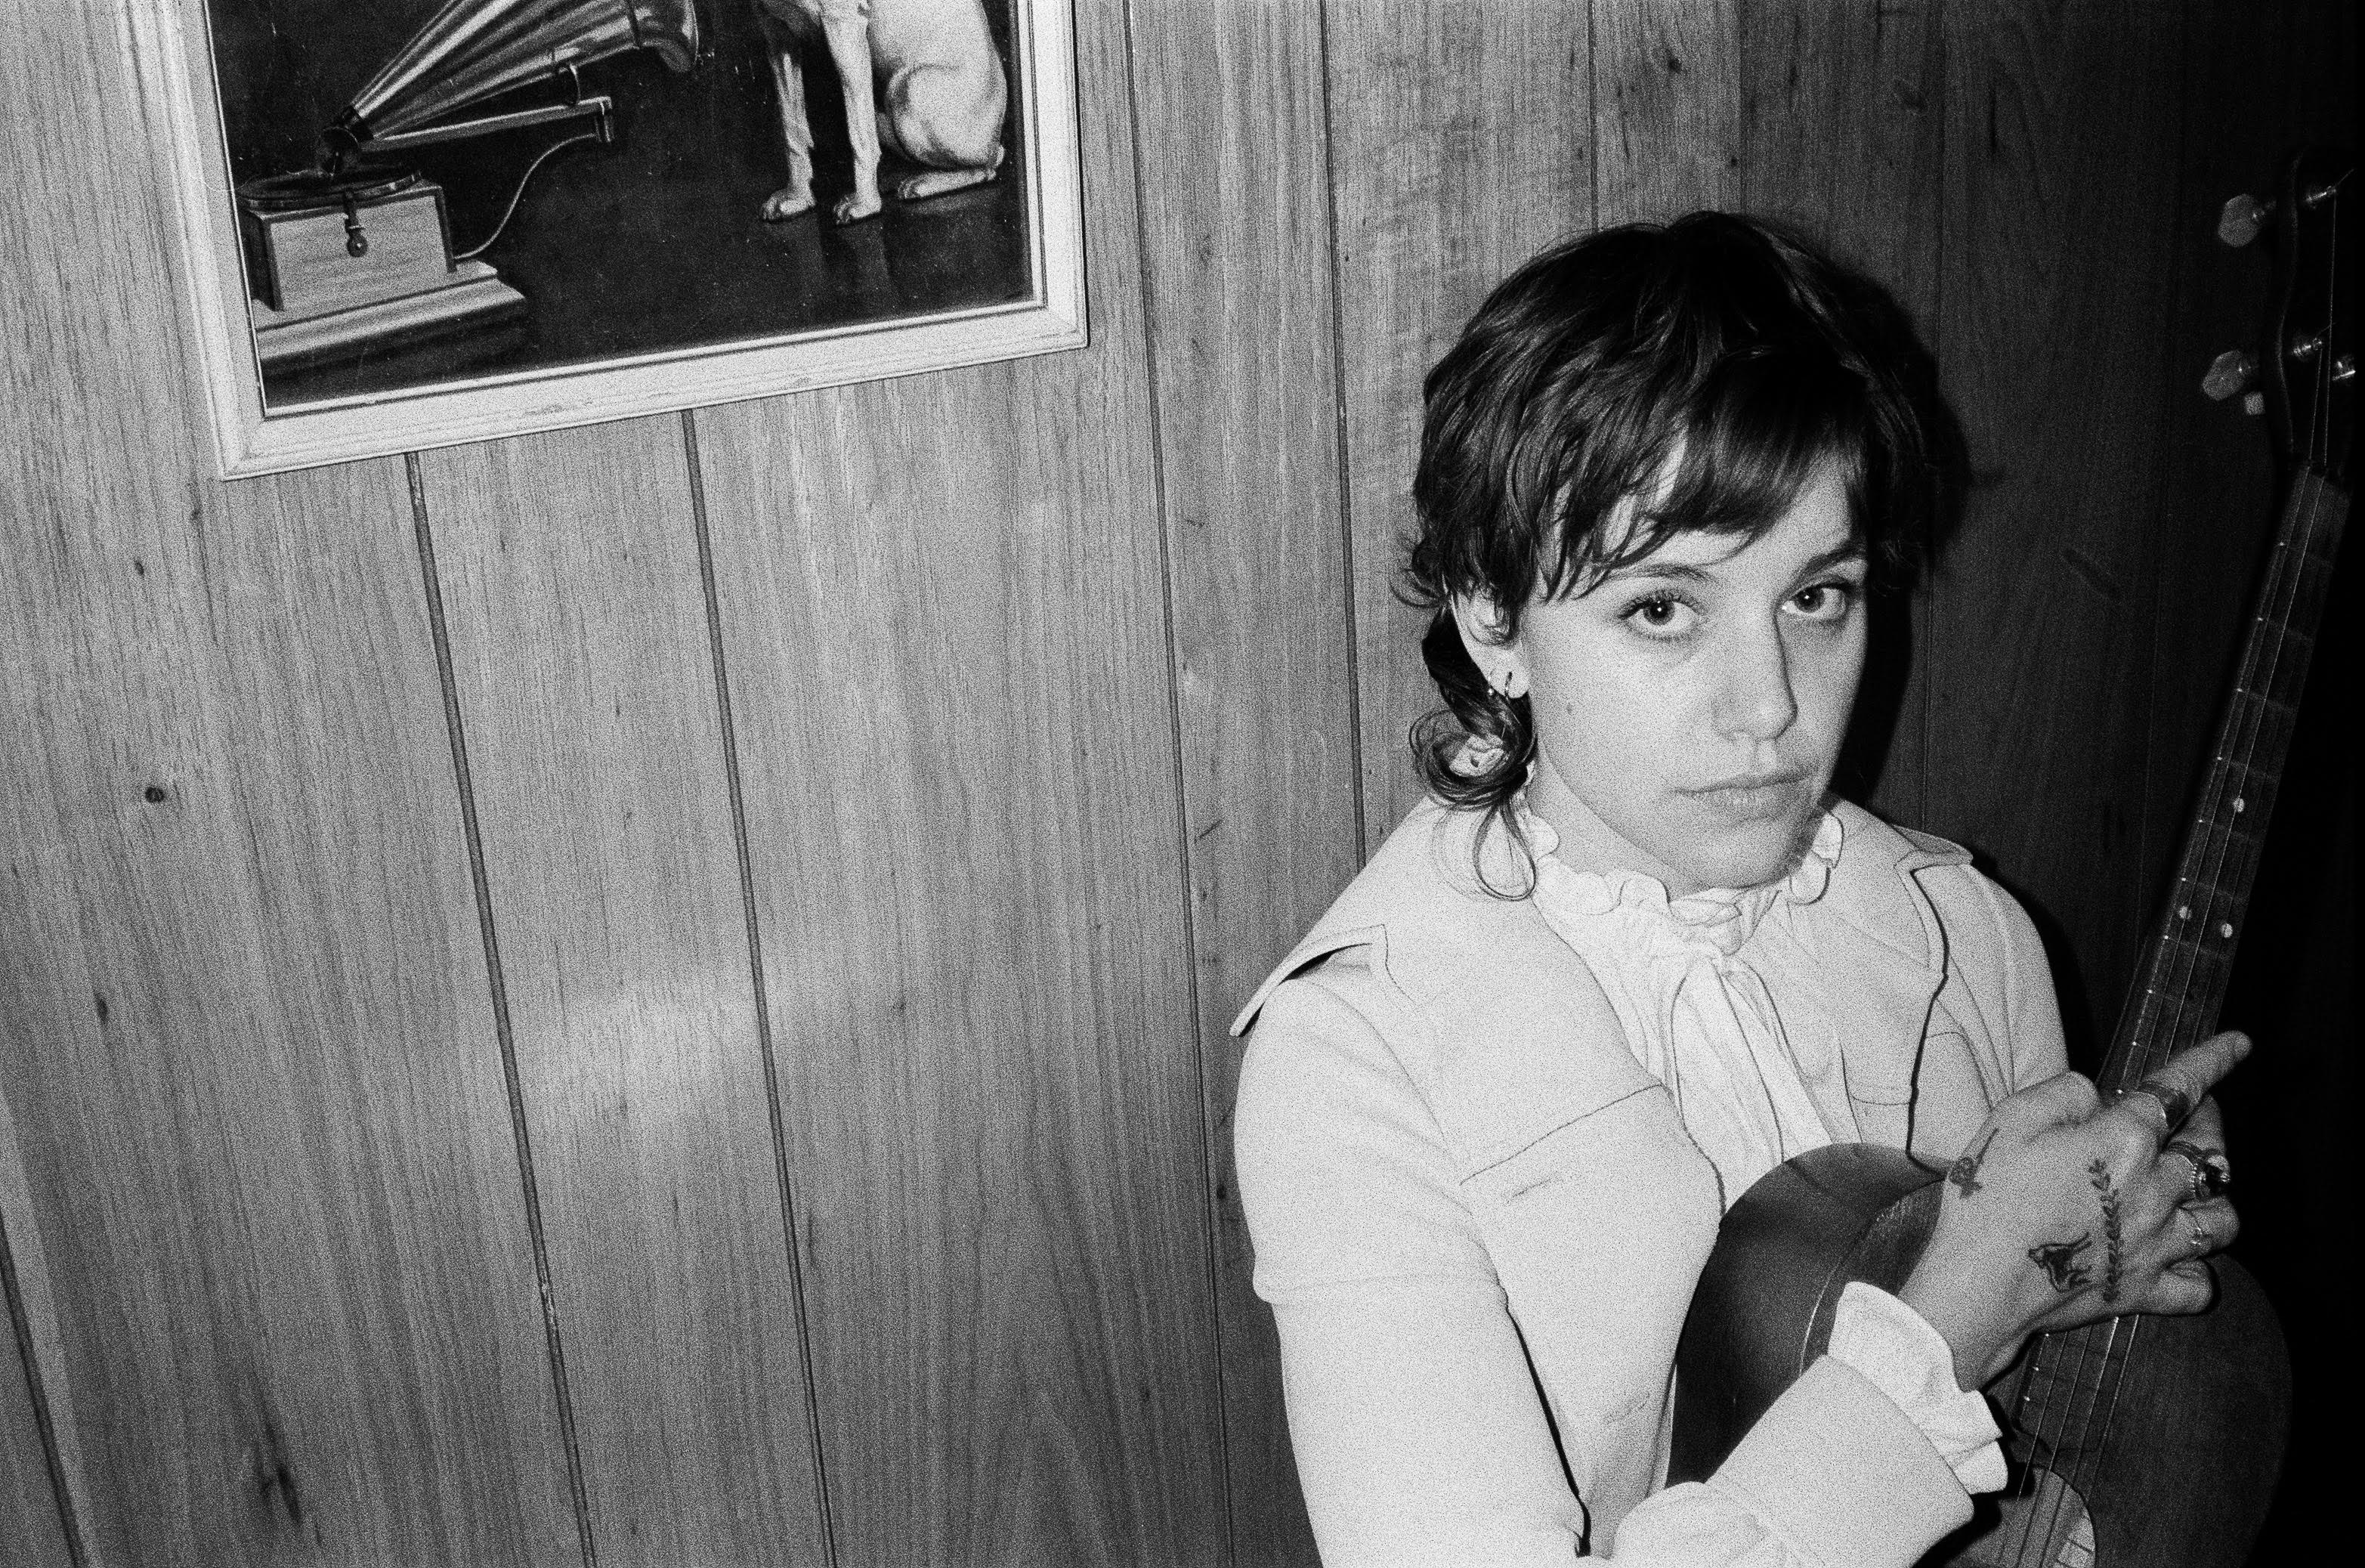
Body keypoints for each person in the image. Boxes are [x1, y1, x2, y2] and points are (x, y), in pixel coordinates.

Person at [1229, 212, 2246, 1566]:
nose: (1769, 707)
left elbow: (2055, 1437)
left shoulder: (1966, 933)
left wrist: (2132, 1239)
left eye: (1817, 597)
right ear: (1491, 619)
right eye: (1662, 609)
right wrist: (1939, 1331)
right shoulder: (1354, 1059)